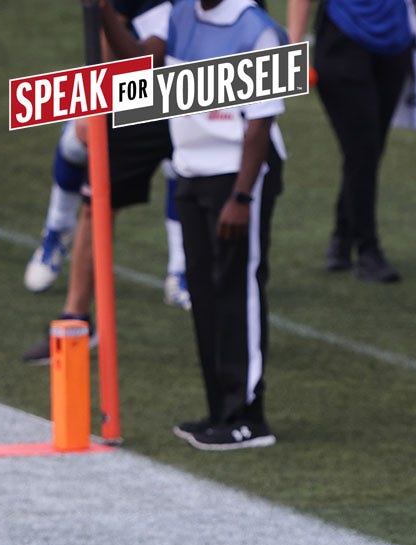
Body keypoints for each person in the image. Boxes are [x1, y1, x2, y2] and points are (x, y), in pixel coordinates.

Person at [98, 0, 289, 450]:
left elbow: (262, 123)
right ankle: (219, 410)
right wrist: (103, 10)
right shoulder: (181, 13)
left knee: (237, 289)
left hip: (239, 175)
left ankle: (248, 418)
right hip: (191, 171)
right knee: (204, 291)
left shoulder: (255, 29)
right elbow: (142, 67)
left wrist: (241, 197)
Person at [21, 0, 189, 366]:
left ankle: (185, 270)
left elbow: (153, 54)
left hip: (206, 91)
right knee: (97, 197)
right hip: (150, 93)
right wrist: (94, 94)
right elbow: (134, 51)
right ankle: (75, 318)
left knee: (209, 182)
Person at [286, 0, 416, 283]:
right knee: (362, 150)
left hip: (395, 46)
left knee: (369, 150)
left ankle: (342, 237)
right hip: (342, 45)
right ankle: (367, 250)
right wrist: (293, 47)